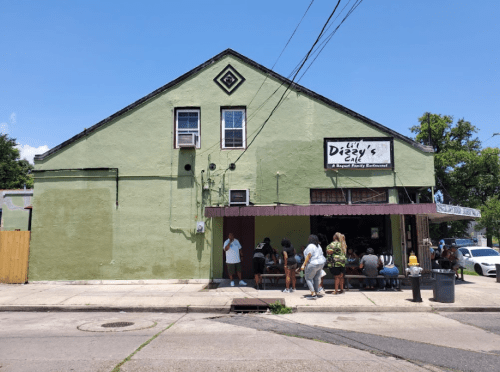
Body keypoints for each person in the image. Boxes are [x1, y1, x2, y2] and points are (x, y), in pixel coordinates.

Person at [297, 235, 326, 300]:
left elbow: (308, 255)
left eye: (309, 238)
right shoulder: (318, 246)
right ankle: (316, 292)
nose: (308, 239)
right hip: (321, 263)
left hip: (313, 263)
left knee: (308, 278)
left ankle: (313, 295)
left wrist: (303, 265)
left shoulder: (310, 246)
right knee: (316, 278)